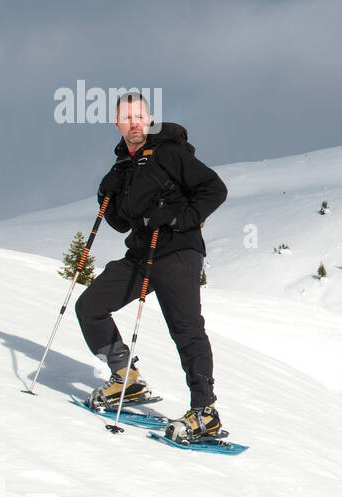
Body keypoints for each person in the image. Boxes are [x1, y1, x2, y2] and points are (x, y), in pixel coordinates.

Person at [76, 91, 229, 441]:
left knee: (186, 328)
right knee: (91, 307)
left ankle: (205, 412)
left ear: (148, 120)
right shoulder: (123, 167)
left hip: (178, 251)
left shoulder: (169, 153)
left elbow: (214, 189)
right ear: (116, 124)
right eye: (126, 118)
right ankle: (125, 379)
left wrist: (178, 217)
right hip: (141, 254)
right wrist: (106, 195)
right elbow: (119, 223)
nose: (133, 123)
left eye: (138, 117)